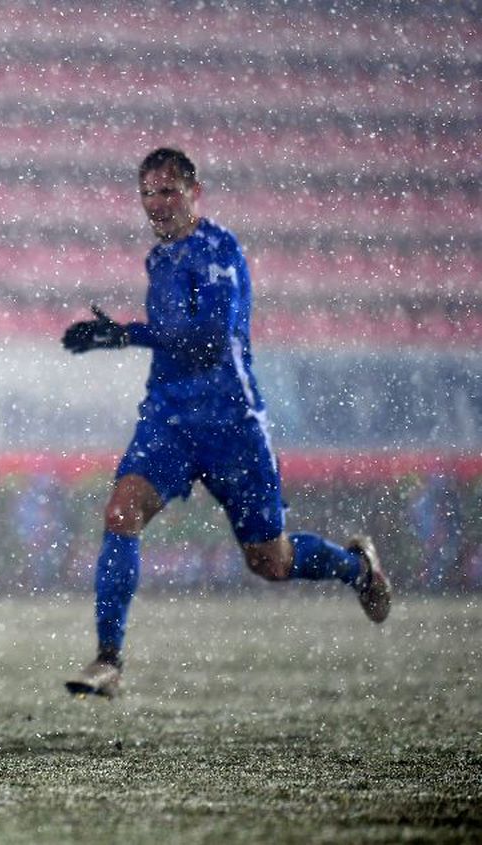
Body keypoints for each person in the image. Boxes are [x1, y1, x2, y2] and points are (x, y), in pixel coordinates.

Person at [60, 148, 392, 698]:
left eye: (168, 191)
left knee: (271, 562)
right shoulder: (158, 260)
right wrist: (124, 335)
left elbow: (209, 341)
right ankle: (108, 660)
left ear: (195, 192)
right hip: (170, 419)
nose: (156, 204)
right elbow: (174, 340)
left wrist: (128, 334)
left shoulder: (219, 250)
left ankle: (357, 569)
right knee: (121, 511)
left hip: (231, 424)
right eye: (147, 193)